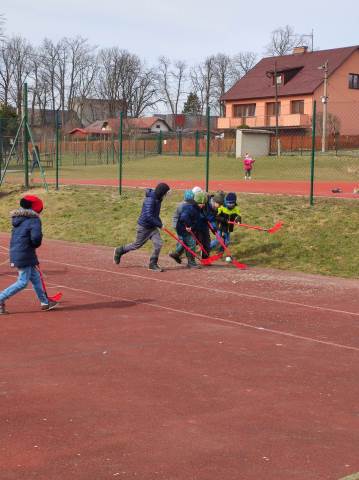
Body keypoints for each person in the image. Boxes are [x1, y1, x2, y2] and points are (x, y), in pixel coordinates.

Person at [0, 195, 58, 315]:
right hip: (24, 253)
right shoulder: (34, 219)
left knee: (36, 277)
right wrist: (35, 244)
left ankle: (45, 302)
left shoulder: (18, 218)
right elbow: (36, 237)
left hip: (20, 251)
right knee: (22, 282)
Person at [113, 182, 170, 272]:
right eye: (166, 193)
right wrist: (159, 225)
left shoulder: (158, 199)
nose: (166, 195)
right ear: (162, 192)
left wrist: (160, 223)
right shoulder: (150, 200)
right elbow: (148, 216)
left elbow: (155, 215)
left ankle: (152, 264)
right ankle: (120, 250)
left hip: (152, 227)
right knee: (137, 245)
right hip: (144, 227)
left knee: (158, 243)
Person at [175, 191, 207, 269]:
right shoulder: (191, 208)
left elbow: (197, 219)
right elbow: (184, 217)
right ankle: (191, 263)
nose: (204, 205)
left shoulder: (196, 208)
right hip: (184, 228)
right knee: (192, 244)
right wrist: (189, 226)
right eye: (203, 203)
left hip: (186, 228)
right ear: (200, 202)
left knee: (187, 243)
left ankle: (176, 254)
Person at [212, 192, 241, 262]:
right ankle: (206, 248)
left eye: (231, 203)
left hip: (229, 228)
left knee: (227, 242)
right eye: (228, 203)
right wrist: (224, 220)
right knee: (218, 240)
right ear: (226, 202)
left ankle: (220, 253)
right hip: (221, 227)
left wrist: (238, 220)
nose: (230, 205)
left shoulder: (236, 208)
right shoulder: (222, 208)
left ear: (234, 203)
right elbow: (217, 217)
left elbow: (238, 215)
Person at [169, 189, 194, 264]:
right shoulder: (183, 207)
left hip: (182, 226)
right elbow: (178, 217)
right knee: (189, 242)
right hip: (181, 227)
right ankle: (189, 261)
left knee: (184, 241)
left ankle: (177, 254)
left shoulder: (183, 205)